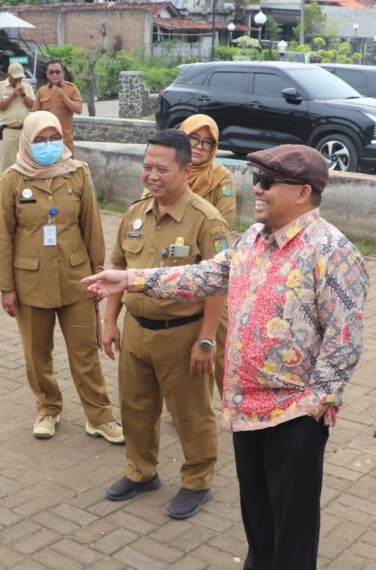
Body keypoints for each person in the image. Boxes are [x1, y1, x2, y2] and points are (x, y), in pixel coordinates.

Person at [85, 144, 370, 566]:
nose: (257, 188)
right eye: (256, 179)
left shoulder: (332, 251)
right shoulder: (254, 239)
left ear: (303, 193)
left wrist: (313, 407)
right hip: (245, 410)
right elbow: (205, 275)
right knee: (257, 520)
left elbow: (343, 343)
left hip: (293, 417)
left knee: (292, 530)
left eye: (268, 182)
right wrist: (130, 278)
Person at [98, 129, 230, 520]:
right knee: (135, 407)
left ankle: (197, 481)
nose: (151, 175)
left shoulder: (207, 221)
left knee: (191, 412)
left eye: (161, 168)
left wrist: (206, 341)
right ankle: (141, 471)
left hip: (183, 333)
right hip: (137, 329)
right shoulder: (136, 212)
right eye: (146, 167)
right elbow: (118, 267)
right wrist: (110, 322)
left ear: (186, 170)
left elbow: (219, 284)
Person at [0, 110, 122, 443]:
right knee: (37, 354)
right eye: (40, 139)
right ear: (27, 141)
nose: (49, 145)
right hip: (30, 282)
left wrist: (98, 274)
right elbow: (2, 236)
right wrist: (6, 287)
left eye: (54, 138)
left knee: (85, 352)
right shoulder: (12, 179)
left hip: (76, 278)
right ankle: (48, 408)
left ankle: (100, 416)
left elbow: (91, 226)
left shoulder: (78, 173)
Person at [142, 114, 236, 395]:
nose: (199, 147)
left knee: (218, 336)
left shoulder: (220, 177)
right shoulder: (159, 173)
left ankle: (231, 400)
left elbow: (224, 223)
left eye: (208, 143)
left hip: (207, 267)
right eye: (194, 138)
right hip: (168, 267)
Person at [0, 62, 35, 180]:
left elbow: (34, 105)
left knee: (27, 161)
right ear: (8, 75)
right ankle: (4, 189)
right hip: (9, 130)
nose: (18, 80)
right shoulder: (0, 87)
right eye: (15, 77)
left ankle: (24, 188)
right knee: (7, 163)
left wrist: (23, 94)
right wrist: (13, 96)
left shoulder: (27, 87)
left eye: (20, 77)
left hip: (25, 130)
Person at [33, 60, 83, 155]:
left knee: (67, 168)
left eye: (57, 71)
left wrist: (62, 95)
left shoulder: (71, 88)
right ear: (47, 74)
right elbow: (36, 115)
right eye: (51, 72)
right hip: (46, 142)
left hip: (64, 141)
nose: (54, 74)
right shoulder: (42, 91)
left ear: (63, 73)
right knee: (48, 168)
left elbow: (79, 109)